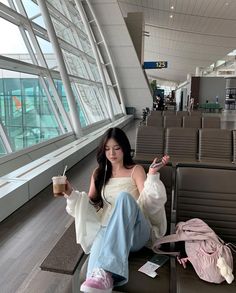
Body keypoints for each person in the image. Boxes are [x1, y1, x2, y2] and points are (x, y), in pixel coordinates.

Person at [63, 127, 169, 293]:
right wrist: (70, 194)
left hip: (135, 232)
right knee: (92, 282)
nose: (111, 153)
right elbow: (89, 204)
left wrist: (152, 175)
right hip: (107, 231)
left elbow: (148, 202)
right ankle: (101, 280)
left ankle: (105, 272)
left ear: (124, 148)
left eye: (116, 148)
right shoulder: (99, 173)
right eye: (107, 149)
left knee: (124, 198)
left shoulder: (136, 170)